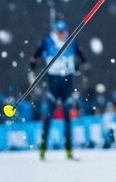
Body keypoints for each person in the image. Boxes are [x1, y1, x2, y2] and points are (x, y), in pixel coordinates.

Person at [28, 19, 85, 160]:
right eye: (59, 32)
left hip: (67, 81)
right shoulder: (48, 41)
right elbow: (35, 56)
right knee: (48, 115)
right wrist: (33, 64)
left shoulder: (72, 40)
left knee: (67, 116)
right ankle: (42, 149)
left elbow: (81, 55)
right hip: (53, 81)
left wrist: (81, 63)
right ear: (54, 32)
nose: (61, 35)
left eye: (63, 32)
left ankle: (69, 150)